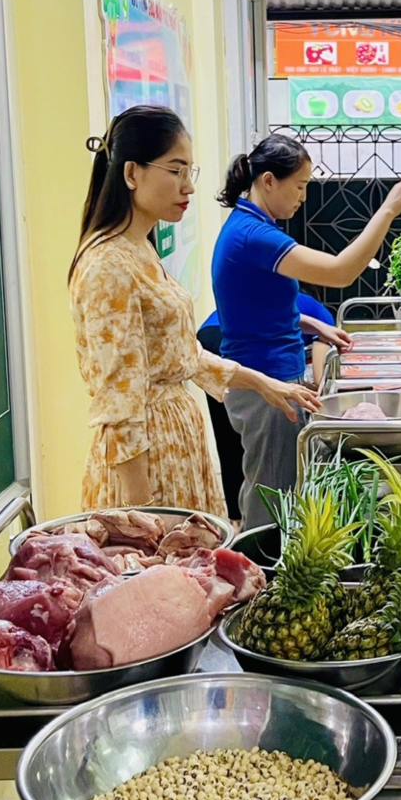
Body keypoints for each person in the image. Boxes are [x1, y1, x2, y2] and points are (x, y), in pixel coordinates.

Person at [68, 105, 320, 514]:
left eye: (190, 172)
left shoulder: (140, 249)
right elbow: (118, 401)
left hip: (175, 447)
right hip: (143, 471)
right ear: (131, 173)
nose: (188, 187)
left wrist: (262, 384)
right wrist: (144, 512)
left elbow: (181, 355)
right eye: (175, 170)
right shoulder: (108, 265)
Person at [212, 134, 401, 528]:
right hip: (266, 385)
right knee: (273, 500)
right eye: (299, 186)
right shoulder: (255, 236)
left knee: (276, 487)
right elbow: (341, 272)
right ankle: (261, 564)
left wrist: (310, 323)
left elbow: (254, 305)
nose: (303, 197)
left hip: (271, 376)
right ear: (269, 181)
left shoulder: (249, 225)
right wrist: (387, 211)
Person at [197, 291, 335, 523]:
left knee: (228, 434)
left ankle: (236, 517)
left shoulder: (294, 302)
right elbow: (321, 370)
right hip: (233, 340)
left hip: (209, 337)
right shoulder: (324, 317)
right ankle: (252, 521)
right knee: (256, 442)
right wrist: (322, 395)